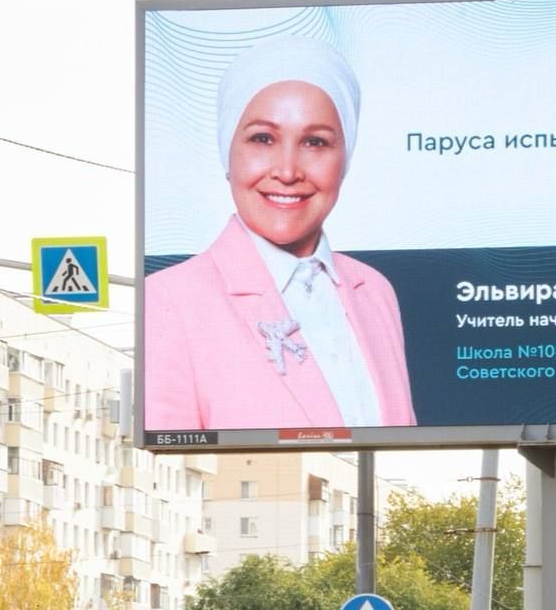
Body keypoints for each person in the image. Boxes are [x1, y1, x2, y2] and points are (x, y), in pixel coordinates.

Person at [144, 39, 415, 432]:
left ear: (346, 159)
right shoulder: (169, 299)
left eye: (315, 142)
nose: (287, 171)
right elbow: (171, 463)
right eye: (263, 139)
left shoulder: (374, 291)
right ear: (227, 152)